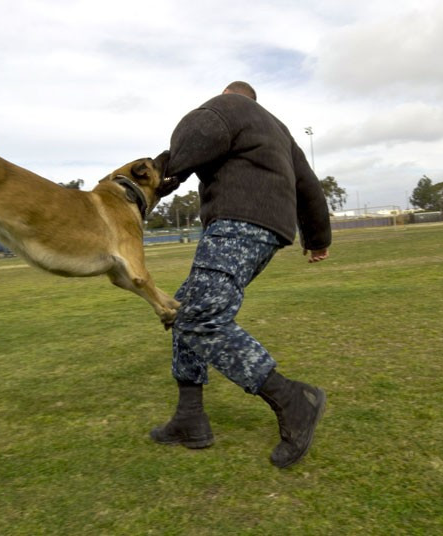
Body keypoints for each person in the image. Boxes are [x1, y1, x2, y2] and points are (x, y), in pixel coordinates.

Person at [151, 81, 332, 468]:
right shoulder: (279, 130)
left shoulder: (228, 107)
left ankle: (292, 399)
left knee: (201, 317)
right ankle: (190, 416)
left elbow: (202, 128)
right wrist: (317, 237)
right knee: (183, 309)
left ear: (230, 94)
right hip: (270, 231)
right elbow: (308, 185)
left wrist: (163, 175)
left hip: (237, 222)